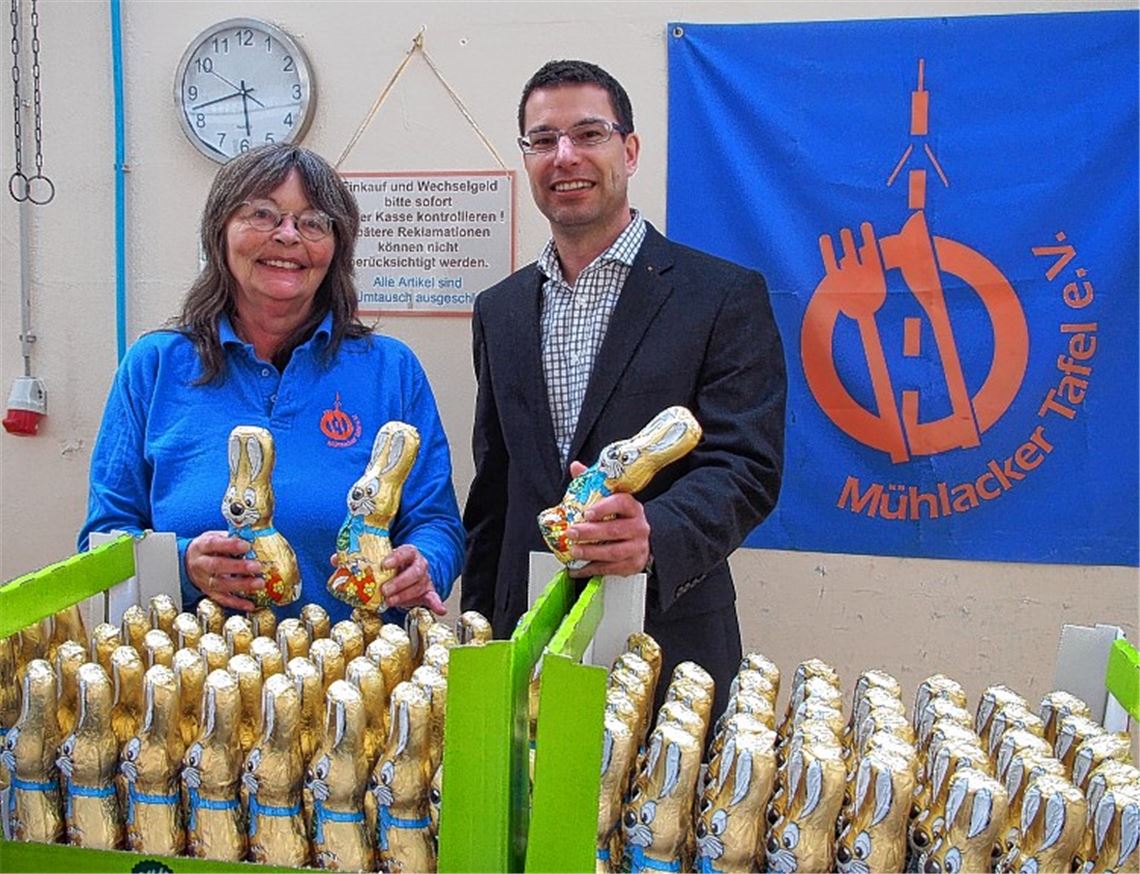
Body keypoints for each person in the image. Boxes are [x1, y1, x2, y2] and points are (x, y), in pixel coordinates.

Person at [461, 60, 786, 719]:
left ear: (630, 150)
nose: (565, 156)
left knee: (658, 824)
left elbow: (745, 465)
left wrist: (654, 532)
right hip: (526, 641)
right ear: (526, 157)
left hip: (666, 643)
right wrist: (479, 637)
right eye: (543, 139)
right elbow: (496, 486)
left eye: (588, 133)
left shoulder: (721, 296)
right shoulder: (500, 309)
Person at [80, 143, 463, 622]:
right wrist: (182, 566)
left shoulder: (390, 369)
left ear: (336, 248)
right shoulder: (154, 367)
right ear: (219, 232)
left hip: (359, 675)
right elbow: (103, 541)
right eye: (262, 215)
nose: (287, 236)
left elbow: (436, 523)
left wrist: (426, 565)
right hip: (194, 677)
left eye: (313, 222)